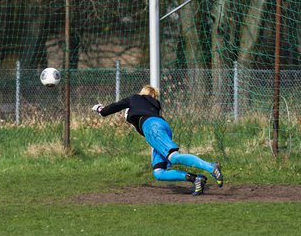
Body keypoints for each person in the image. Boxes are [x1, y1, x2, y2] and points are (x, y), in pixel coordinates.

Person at [92, 84, 223, 196]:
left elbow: (115, 106)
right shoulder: (155, 104)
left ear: (142, 93)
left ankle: (211, 167)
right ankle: (196, 179)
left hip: (152, 128)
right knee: (159, 172)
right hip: (160, 127)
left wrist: (101, 110)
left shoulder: (135, 98)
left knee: (174, 157)